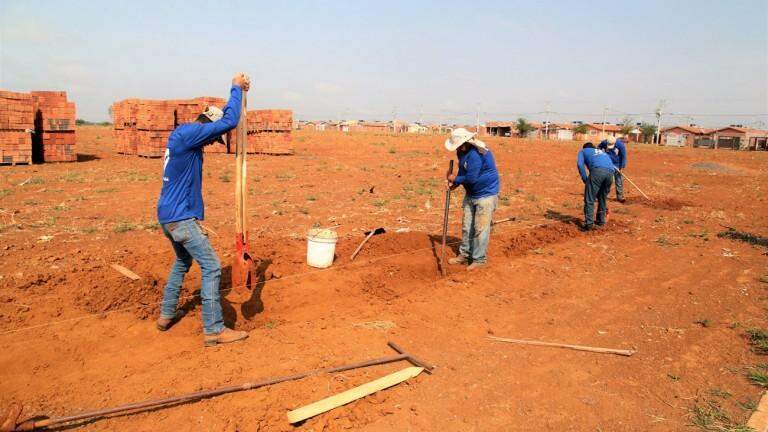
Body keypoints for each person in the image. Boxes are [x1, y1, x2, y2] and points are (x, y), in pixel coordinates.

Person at [155, 73, 250, 347]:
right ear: (205, 125)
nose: (212, 143)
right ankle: (214, 329)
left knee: (182, 262)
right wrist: (236, 88)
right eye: (212, 137)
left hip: (169, 216)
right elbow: (229, 121)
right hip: (179, 219)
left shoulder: (184, 140)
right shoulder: (190, 134)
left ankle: (166, 314)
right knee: (211, 267)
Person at [445, 128, 501, 270]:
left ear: (465, 141)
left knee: (480, 228)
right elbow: (464, 171)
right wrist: (455, 184)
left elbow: (471, 178)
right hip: (472, 193)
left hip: (485, 194)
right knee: (467, 226)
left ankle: (479, 259)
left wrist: (453, 178)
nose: (456, 147)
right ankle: (465, 254)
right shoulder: (461, 152)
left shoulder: (476, 153)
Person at [577, 142, 616, 231]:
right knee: (602, 198)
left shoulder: (583, 151)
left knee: (589, 198)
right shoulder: (601, 152)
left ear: (584, 148)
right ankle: (601, 221)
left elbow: (580, 164)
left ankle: (589, 224)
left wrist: (585, 179)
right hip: (610, 174)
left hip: (597, 171)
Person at [598, 135, 627, 202]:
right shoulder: (604, 142)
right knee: (607, 180)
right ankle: (603, 196)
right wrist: (601, 153)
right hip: (607, 164)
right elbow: (598, 148)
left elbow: (624, 157)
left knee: (618, 181)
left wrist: (622, 167)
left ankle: (620, 197)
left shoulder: (620, 145)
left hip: (617, 165)